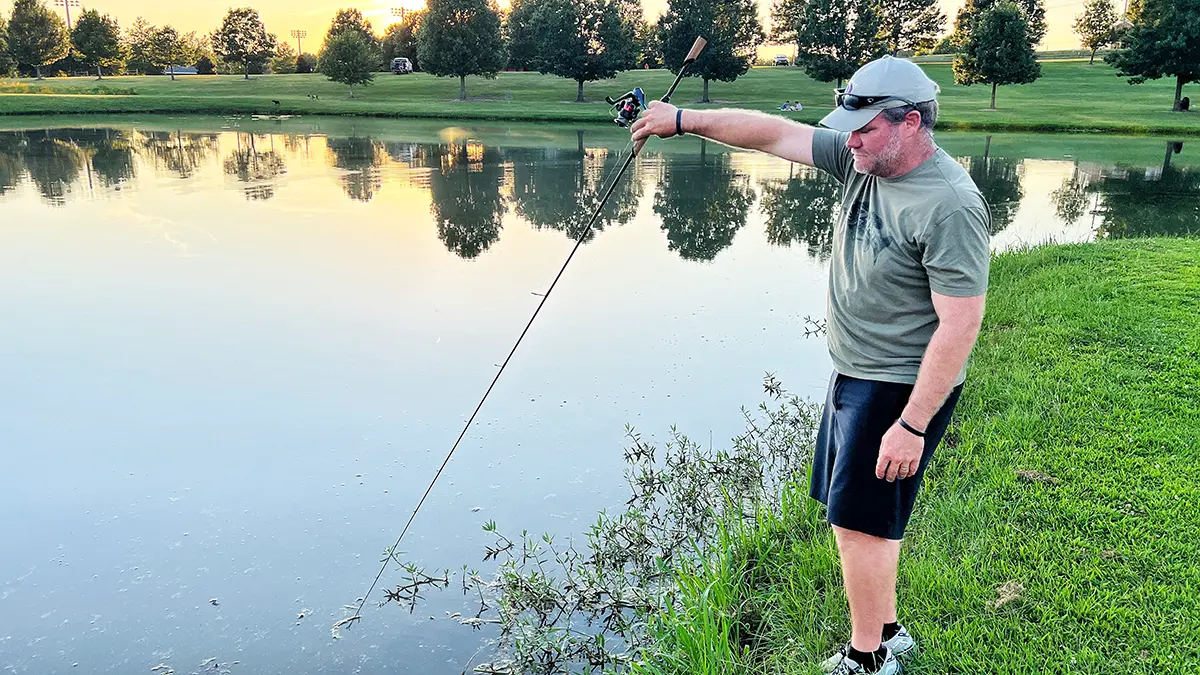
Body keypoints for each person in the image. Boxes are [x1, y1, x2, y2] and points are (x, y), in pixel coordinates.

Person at [631, 56, 991, 675]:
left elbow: (960, 326)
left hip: (898, 384)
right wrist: (683, 119)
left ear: (910, 124)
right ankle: (889, 631)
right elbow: (769, 132)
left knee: (859, 525)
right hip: (854, 373)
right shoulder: (863, 159)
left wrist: (911, 424)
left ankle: (868, 659)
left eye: (864, 128)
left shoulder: (950, 205)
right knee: (862, 515)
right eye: (847, 126)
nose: (849, 138)